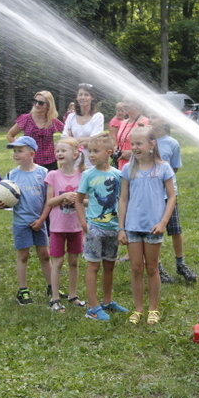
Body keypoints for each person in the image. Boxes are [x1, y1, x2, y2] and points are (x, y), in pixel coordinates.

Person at [118, 126, 176, 325]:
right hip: (132, 226)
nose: (134, 147)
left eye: (139, 143)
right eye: (132, 144)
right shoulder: (127, 169)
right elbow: (123, 199)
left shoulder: (163, 168)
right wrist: (121, 227)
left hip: (153, 226)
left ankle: (153, 308)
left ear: (152, 145)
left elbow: (172, 196)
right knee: (135, 268)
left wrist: (163, 222)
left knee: (152, 268)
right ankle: (138, 309)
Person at [0, 136, 51, 305]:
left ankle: (51, 286)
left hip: (39, 221)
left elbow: (49, 199)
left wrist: (42, 219)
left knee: (45, 255)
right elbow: (1, 196)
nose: (16, 154)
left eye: (20, 151)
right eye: (14, 151)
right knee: (23, 256)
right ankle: (23, 290)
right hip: (21, 222)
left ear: (32, 153)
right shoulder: (12, 175)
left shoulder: (43, 173)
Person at [75, 132, 126, 322]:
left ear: (109, 152)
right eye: (90, 151)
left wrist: (123, 226)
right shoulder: (88, 174)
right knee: (93, 266)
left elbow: (123, 200)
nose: (91, 155)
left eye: (96, 151)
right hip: (94, 227)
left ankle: (107, 301)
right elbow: (79, 201)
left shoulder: (119, 175)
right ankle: (93, 307)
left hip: (113, 227)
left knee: (110, 266)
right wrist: (83, 222)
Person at [33, 138, 86, 312]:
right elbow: (49, 202)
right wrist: (64, 197)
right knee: (58, 261)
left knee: (73, 261)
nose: (59, 154)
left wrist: (77, 198)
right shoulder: (53, 176)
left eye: (63, 150)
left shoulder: (82, 176)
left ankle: (73, 295)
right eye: (58, 151)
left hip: (76, 227)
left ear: (75, 153)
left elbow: (87, 201)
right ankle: (55, 298)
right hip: (57, 227)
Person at [149, 113, 197, 283]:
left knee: (176, 230)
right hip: (152, 195)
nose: (150, 120)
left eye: (154, 117)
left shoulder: (172, 143)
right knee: (154, 231)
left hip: (169, 195)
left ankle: (180, 263)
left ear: (164, 120)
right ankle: (157, 266)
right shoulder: (148, 141)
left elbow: (174, 168)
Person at [6, 91, 65, 171]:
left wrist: (60, 145)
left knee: (50, 183)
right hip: (29, 162)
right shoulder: (26, 119)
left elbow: (68, 134)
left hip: (50, 162)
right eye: (35, 101)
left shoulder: (53, 121)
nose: (37, 105)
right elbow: (10, 135)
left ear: (48, 105)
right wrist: (20, 148)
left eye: (41, 103)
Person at [62, 83, 105, 168]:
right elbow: (64, 138)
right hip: (73, 163)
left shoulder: (98, 116)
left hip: (91, 163)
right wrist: (87, 140)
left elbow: (95, 141)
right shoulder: (71, 116)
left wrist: (72, 140)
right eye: (80, 95)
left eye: (86, 95)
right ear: (77, 97)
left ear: (92, 98)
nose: (83, 97)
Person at [114, 100, 149, 169]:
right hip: (122, 167)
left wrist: (133, 154)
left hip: (139, 167)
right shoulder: (123, 122)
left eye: (128, 102)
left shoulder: (146, 122)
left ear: (138, 104)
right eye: (125, 102)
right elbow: (120, 142)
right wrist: (116, 148)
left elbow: (152, 148)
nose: (125, 105)